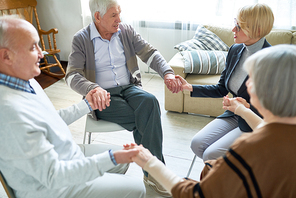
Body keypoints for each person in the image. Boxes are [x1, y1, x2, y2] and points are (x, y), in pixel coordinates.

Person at [0, 16, 146, 198]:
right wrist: (113, 157)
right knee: (138, 188)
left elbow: (51, 119)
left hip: (65, 156)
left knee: (122, 162)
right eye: (32, 47)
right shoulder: (9, 112)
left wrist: (87, 104)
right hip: (56, 188)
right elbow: (54, 176)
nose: (42, 53)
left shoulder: (25, 80)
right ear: (6, 56)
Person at [128, 44, 296, 198]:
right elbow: (266, 129)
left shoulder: (248, 148)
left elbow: (195, 194)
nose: (248, 84)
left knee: (209, 164)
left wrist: (151, 164)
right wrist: (241, 110)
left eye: (252, 79)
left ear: (268, 90)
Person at [65, 0, 181, 196]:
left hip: (129, 88)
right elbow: (71, 75)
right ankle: (156, 173)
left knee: (149, 101)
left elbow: (150, 53)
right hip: (103, 96)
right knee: (145, 116)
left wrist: (167, 73)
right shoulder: (82, 39)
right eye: (113, 15)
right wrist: (93, 88)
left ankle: (152, 172)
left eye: (120, 13)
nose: (119, 19)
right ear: (98, 17)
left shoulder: (125, 31)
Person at [176, 3, 274, 161]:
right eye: (235, 23)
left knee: (211, 154)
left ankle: (224, 181)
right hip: (234, 114)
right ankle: (226, 177)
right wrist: (189, 87)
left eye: (239, 26)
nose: (233, 30)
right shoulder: (235, 50)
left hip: (254, 121)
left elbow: (275, 109)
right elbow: (221, 89)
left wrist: (246, 108)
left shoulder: (272, 60)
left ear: (257, 30)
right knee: (197, 144)